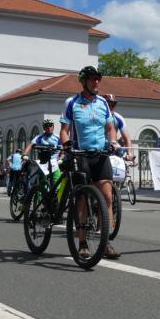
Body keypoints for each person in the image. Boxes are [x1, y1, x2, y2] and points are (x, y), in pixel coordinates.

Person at [60, 65, 120, 259]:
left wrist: (113, 141)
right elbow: (64, 131)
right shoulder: (72, 103)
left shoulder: (103, 103)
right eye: (93, 79)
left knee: (108, 197)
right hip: (80, 155)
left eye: (98, 79)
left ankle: (106, 242)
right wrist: (67, 145)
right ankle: (82, 243)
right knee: (83, 199)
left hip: (100, 155)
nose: (97, 82)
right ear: (84, 81)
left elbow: (110, 128)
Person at [104, 94, 134, 159]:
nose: (111, 107)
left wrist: (129, 153)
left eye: (113, 104)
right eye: (108, 105)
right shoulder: (99, 116)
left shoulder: (119, 118)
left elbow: (127, 138)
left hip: (113, 148)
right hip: (100, 148)